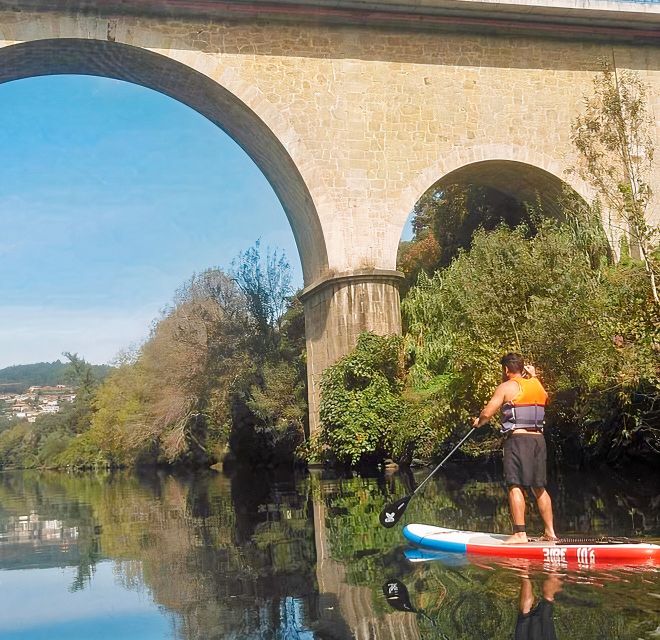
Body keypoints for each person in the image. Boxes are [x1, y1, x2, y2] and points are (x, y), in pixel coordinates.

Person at [472, 352, 557, 544]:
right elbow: (545, 398)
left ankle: (520, 534)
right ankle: (550, 532)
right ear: (522, 367)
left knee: (515, 484)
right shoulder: (536, 384)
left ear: (506, 369)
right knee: (539, 487)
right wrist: (534, 376)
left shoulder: (506, 386)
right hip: (538, 440)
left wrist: (479, 421)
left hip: (518, 440)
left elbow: (489, 411)